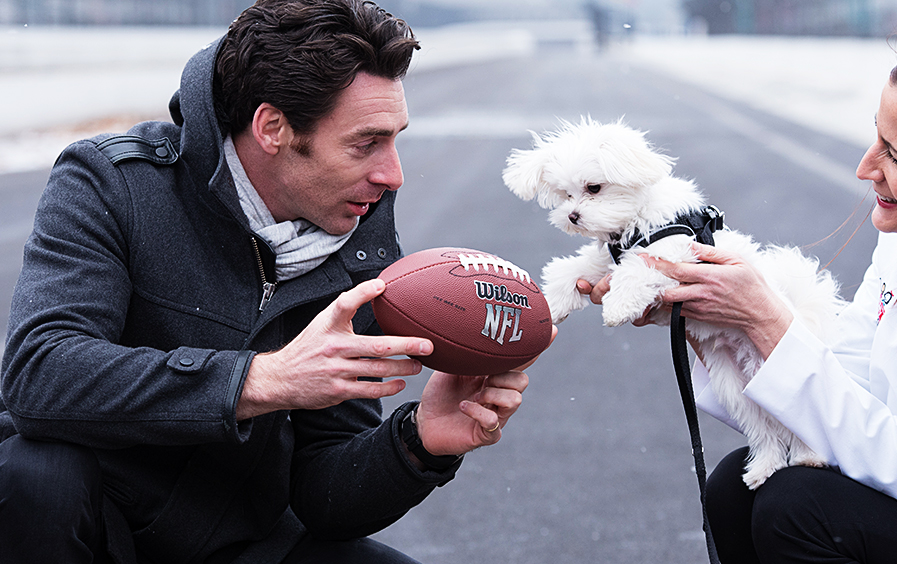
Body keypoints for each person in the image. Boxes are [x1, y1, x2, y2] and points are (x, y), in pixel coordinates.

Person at [0, 1, 550, 563]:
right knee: (37, 475)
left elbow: (325, 499)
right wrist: (260, 381)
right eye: (366, 144)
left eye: (395, 139)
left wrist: (419, 443)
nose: (393, 174)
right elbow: (39, 373)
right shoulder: (113, 183)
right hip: (94, 528)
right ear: (273, 128)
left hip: (241, 545)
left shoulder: (362, 252)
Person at [579, 44, 897, 562]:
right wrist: (707, 319)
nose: (865, 168)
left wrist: (762, 315)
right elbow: (845, 389)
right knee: (734, 487)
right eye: (876, 136)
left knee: (796, 507)